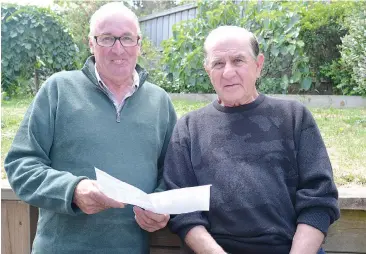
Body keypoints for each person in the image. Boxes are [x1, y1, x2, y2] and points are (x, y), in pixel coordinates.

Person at [5, 2, 176, 253]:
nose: (118, 49)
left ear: (139, 44)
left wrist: (161, 204)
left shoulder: (159, 101)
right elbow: (20, 166)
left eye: (127, 38)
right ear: (91, 44)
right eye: (107, 38)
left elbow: (172, 171)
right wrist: (72, 190)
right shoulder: (59, 90)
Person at [163, 26, 340, 254]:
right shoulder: (189, 128)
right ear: (208, 70)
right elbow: (182, 209)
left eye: (238, 60)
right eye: (218, 63)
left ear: (258, 65)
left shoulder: (294, 117)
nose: (228, 72)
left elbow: (319, 198)